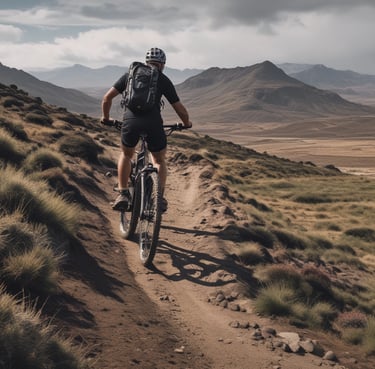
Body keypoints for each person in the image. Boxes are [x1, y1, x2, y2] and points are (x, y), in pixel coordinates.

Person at [101, 47, 192, 212]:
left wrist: (106, 118)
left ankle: (122, 194)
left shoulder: (130, 75)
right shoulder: (163, 79)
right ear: (162, 65)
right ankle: (159, 197)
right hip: (153, 123)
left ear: (146, 62)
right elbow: (179, 108)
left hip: (131, 121)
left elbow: (107, 98)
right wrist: (186, 123)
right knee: (158, 160)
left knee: (127, 155)